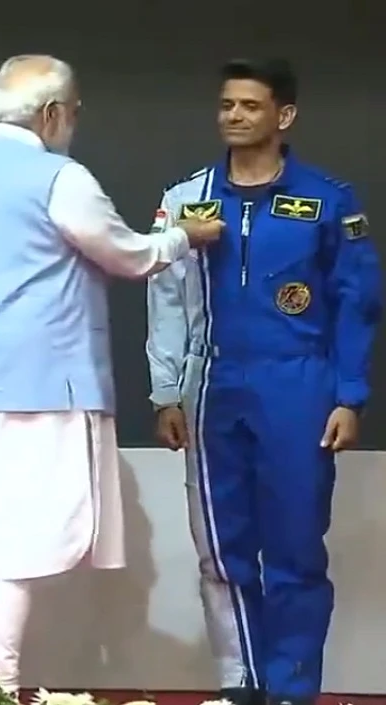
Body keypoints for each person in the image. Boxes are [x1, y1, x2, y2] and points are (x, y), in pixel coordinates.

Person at [0, 54, 224, 700]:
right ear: (51, 114)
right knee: (15, 546)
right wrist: (183, 237)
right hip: (42, 393)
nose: (72, 123)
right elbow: (127, 253)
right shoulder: (59, 176)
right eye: (72, 113)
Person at [145, 59, 380, 705]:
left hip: (298, 385)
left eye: (250, 105)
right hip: (212, 383)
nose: (235, 115)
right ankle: (241, 682)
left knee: (296, 545)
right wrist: (166, 391)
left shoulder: (328, 200)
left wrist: (349, 395)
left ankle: (291, 688)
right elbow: (166, 298)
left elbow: (357, 303)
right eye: (227, 104)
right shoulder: (186, 199)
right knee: (222, 548)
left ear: (285, 115)